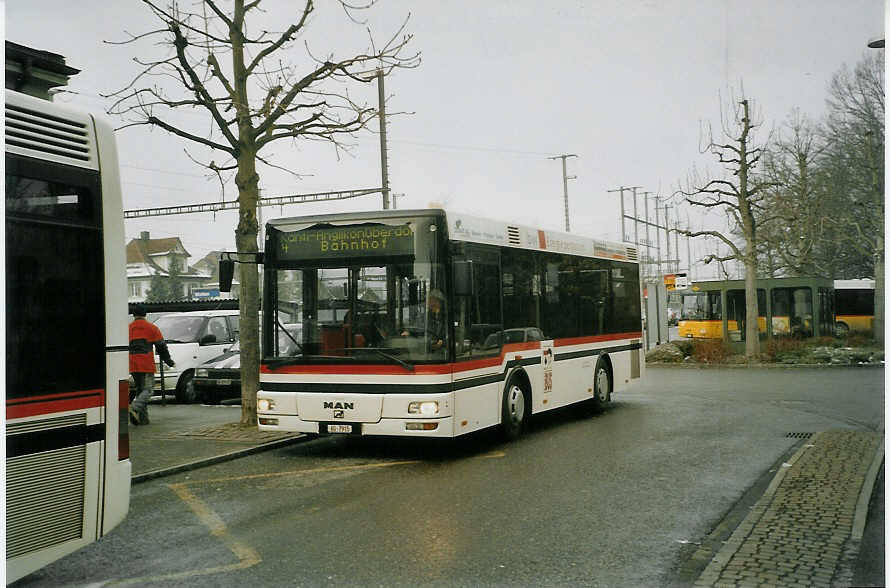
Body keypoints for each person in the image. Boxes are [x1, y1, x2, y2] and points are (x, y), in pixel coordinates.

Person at [129, 305, 175, 425]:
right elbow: (161, 346)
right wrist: (169, 361)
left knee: (140, 390)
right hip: (145, 364)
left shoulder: (128, 328)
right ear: (145, 314)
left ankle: (143, 419)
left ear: (133, 315)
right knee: (148, 390)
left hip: (131, 364)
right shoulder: (152, 328)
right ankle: (135, 407)